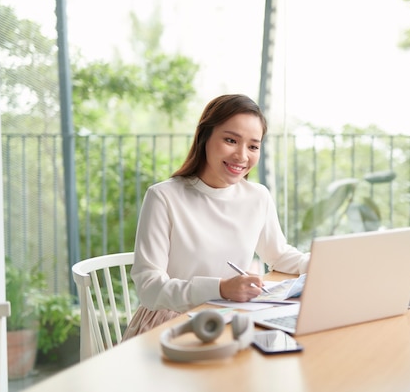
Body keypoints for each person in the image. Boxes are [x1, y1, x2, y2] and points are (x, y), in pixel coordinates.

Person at [123, 94, 309, 339]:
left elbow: (279, 254)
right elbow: (149, 288)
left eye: (253, 146)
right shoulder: (163, 196)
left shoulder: (257, 196)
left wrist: (320, 265)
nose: (242, 156)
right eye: (231, 140)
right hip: (169, 324)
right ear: (205, 137)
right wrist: (220, 288)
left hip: (230, 318)